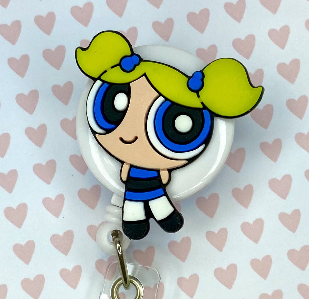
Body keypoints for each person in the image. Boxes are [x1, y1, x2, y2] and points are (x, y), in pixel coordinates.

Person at [76, 30, 263, 240]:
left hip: (147, 186)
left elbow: (129, 173)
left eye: (167, 123)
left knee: (153, 201)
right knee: (139, 203)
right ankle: (143, 219)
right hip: (140, 187)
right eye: (115, 107)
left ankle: (159, 216)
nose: (130, 135)